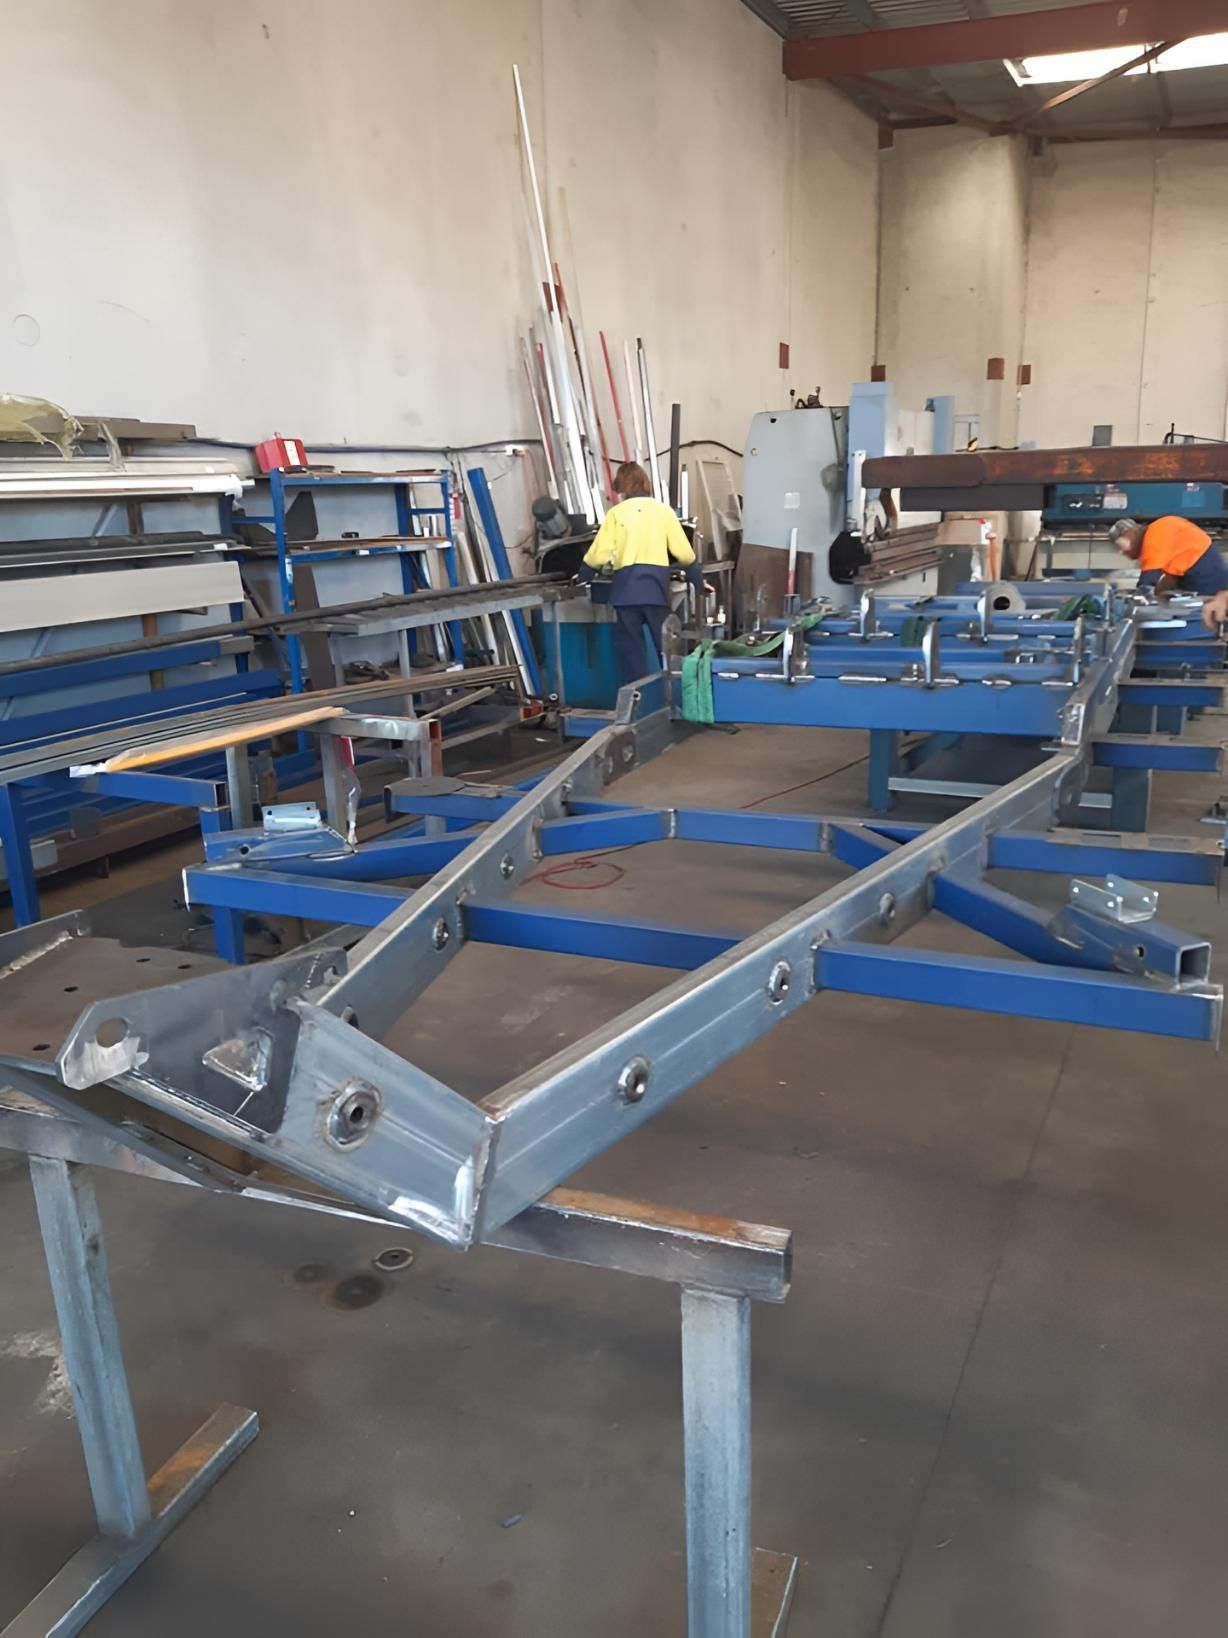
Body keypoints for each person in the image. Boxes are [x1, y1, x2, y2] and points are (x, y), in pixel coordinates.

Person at [582, 462, 710, 683]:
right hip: (655, 589)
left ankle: (639, 701)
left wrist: (582, 577)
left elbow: (598, 555)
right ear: (645, 483)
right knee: (666, 648)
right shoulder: (663, 512)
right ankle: (676, 696)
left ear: (622, 487)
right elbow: (685, 554)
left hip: (625, 591)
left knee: (632, 652)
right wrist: (699, 583)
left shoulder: (616, 514)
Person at [1109, 515, 1228, 601]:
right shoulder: (1159, 534)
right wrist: (1158, 592)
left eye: (1120, 546)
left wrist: (1139, 596)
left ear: (1132, 533)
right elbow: (1171, 577)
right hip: (1202, 568)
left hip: (1205, 572)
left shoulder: (1153, 536)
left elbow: (1148, 580)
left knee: (1203, 613)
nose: (1121, 552)